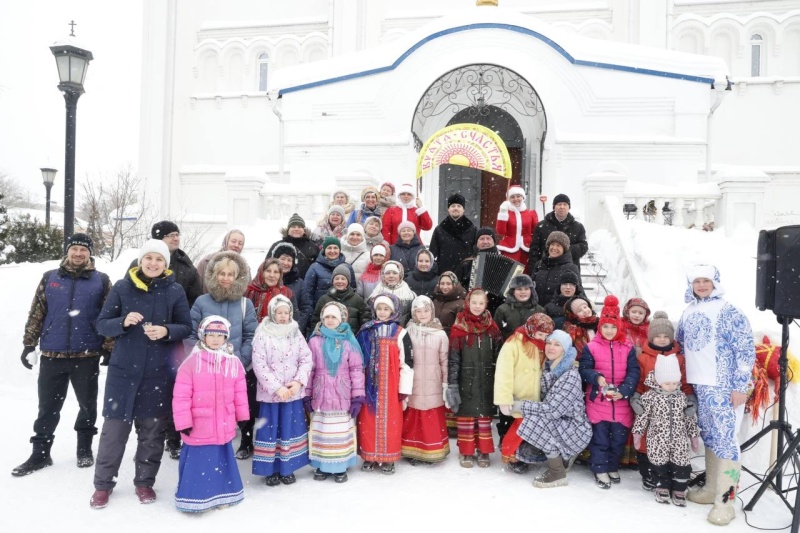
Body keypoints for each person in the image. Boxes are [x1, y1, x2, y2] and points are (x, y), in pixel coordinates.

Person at [90, 239, 192, 508]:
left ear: (165, 264)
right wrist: (122, 322)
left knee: (152, 433)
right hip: (123, 373)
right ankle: (103, 485)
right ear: (141, 260)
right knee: (114, 432)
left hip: (158, 374)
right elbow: (102, 325)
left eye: (159, 259)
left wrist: (166, 331)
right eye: (149, 258)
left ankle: (144, 483)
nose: (153, 263)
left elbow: (186, 326)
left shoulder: (175, 290)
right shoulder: (123, 287)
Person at [13, 233, 113, 477]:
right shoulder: (50, 278)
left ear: (90, 253)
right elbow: (37, 311)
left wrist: (108, 347)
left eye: (83, 250)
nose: (78, 253)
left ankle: (84, 448)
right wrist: (29, 344)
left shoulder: (101, 280)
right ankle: (40, 454)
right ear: (67, 251)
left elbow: (110, 314)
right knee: (47, 407)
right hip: (52, 354)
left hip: (86, 353)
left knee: (87, 406)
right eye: (74, 249)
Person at [677, 265, 755, 526]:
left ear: (715, 283)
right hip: (699, 385)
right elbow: (681, 344)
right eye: (696, 281)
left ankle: (726, 499)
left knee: (726, 440)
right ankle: (712, 488)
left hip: (723, 385)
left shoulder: (727, 310)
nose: (701, 285)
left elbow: (744, 348)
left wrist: (740, 386)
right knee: (710, 436)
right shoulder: (688, 311)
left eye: (706, 281)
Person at [172, 316, 249, 513]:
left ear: (226, 338)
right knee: (200, 462)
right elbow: (181, 396)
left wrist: (242, 416)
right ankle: (195, 497)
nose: (215, 339)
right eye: (211, 335)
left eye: (220, 335)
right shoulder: (191, 363)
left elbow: (240, 392)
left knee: (220, 460)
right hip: (199, 424)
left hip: (223, 422)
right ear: (202, 336)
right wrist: (183, 422)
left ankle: (223, 494)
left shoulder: (233, 363)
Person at [188, 251, 259, 460]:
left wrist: (240, 359)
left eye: (231, 274)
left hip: (237, 366)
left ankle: (245, 442)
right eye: (222, 274)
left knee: (240, 405)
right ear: (214, 275)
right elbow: (191, 334)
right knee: (212, 407)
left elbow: (251, 335)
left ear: (238, 278)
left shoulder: (245, 303)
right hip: (206, 368)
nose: (226, 278)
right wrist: (202, 359)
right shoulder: (201, 302)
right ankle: (212, 444)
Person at [514, 330, 592, 488]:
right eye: (549, 343)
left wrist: (520, 406)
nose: (551, 347)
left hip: (575, 428)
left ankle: (557, 472)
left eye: (557, 345)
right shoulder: (547, 368)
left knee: (532, 421)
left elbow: (552, 410)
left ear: (565, 349)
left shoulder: (570, 374)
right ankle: (563, 456)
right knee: (523, 453)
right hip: (558, 424)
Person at [579, 295, 640, 490]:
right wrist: (596, 377)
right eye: (605, 326)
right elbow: (584, 369)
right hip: (598, 402)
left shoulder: (628, 348)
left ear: (619, 327)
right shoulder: (591, 347)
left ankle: (612, 466)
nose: (609, 331)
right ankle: (599, 468)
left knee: (619, 440)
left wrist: (624, 391)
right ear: (600, 327)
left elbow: (633, 371)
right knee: (600, 439)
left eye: (613, 327)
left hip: (621, 404)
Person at [251, 295, 312, 486]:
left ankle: (288, 467)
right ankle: (271, 469)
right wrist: (276, 387)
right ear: (272, 313)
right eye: (279, 313)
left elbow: (306, 358)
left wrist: (298, 382)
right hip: (272, 395)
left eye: (286, 313)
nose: (283, 316)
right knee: (271, 430)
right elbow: (259, 364)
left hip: (292, 393)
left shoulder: (295, 332)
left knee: (289, 429)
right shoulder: (263, 333)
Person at [631, 311, 695, 492]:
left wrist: (690, 400)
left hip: (674, 406)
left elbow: (684, 382)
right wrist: (636, 398)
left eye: (665, 336)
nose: (661, 339)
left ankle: (673, 476)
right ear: (651, 337)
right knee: (646, 441)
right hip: (650, 406)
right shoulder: (643, 357)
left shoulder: (679, 358)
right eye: (657, 336)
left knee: (674, 443)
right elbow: (639, 381)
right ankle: (649, 474)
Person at [305, 301, 366, 483]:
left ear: (341, 319)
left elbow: (356, 369)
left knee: (339, 431)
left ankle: (340, 466)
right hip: (320, 392)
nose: (330, 320)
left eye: (334, 317)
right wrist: (307, 393)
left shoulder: (348, 340)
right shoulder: (314, 341)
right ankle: (321, 464)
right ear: (322, 319)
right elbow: (310, 369)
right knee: (322, 430)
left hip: (342, 392)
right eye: (327, 317)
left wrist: (357, 397)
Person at [632, 354, 701, 507]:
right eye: (667, 383)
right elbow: (642, 418)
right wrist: (637, 434)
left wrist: (693, 437)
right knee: (659, 463)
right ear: (658, 380)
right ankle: (662, 487)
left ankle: (679, 489)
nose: (671, 386)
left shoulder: (682, 397)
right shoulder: (649, 397)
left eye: (675, 382)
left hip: (679, 439)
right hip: (657, 439)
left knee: (682, 464)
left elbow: (689, 419)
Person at [356, 294, 414, 475]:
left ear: (393, 311)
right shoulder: (366, 330)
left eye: (386, 309)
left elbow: (407, 363)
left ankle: (388, 457)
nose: (382, 312)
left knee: (392, 421)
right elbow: (358, 359)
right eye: (379, 308)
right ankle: (369, 455)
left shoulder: (400, 332)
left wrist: (404, 390)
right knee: (368, 419)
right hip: (369, 384)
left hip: (391, 385)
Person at [445, 288, 503, 469]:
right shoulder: (458, 328)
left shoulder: (492, 328)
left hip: (487, 378)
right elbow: (454, 359)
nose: (477, 306)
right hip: (465, 379)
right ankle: (466, 450)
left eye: (481, 303)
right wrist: (453, 384)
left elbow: (499, 355)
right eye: (474, 303)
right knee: (467, 417)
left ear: (486, 305)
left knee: (484, 417)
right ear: (467, 303)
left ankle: (484, 450)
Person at [494, 313, 554, 472]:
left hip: (535, 397)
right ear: (531, 329)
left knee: (528, 429)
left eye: (546, 335)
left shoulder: (543, 346)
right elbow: (503, 373)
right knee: (521, 427)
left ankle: (518, 455)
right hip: (518, 395)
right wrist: (504, 398)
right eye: (540, 334)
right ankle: (509, 453)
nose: (543, 338)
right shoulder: (513, 344)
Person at [401, 296, 450, 465]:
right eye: (418, 311)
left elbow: (445, 361)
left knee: (431, 418)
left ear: (432, 311)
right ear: (413, 313)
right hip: (413, 382)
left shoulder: (440, 334)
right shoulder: (407, 331)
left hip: (433, 382)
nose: (422, 314)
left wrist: (445, 384)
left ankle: (432, 450)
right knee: (413, 417)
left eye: (426, 311)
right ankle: (411, 450)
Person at [146, 220, 204, 307]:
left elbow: (195, 300)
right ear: (159, 238)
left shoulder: (187, 267)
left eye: (177, 235)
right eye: (171, 235)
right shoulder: (143, 263)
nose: (176, 238)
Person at [528, 194, 588, 272]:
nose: (562, 207)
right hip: (546, 270)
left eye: (565, 204)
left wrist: (564, 250)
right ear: (554, 207)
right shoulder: (541, 226)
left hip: (569, 270)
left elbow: (583, 246)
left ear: (569, 207)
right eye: (559, 204)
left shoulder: (578, 227)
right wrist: (533, 271)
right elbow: (534, 250)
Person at [309, 264, 371, 334]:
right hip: (328, 339)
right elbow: (316, 320)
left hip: (350, 340)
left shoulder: (357, 299)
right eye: (337, 278)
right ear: (333, 281)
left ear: (348, 281)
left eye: (343, 279)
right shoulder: (324, 299)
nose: (340, 281)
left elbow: (365, 319)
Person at [455, 226, 504, 315]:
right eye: (482, 239)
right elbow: (457, 286)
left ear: (494, 242)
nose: (485, 242)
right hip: (471, 308)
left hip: (496, 309)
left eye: (488, 238)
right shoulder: (467, 263)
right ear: (476, 242)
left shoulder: (504, 263)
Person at [429, 193, 477, 276]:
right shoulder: (439, 230)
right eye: (453, 206)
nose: (456, 208)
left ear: (463, 209)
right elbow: (432, 254)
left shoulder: (472, 229)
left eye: (459, 206)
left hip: (466, 274)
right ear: (448, 209)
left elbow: (476, 253)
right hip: (445, 274)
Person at [270, 242, 313, 334]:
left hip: (292, 332)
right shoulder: (268, 280)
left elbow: (305, 308)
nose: (286, 263)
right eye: (283, 259)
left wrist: (296, 328)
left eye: (289, 260)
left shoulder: (299, 283)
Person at [304, 237, 356, 310]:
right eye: (329, 248)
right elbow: (307, 293)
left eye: (335, 248)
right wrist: (311, 312)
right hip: (321, 311)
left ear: (339, 250)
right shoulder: (314, 267)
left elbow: (352, 291)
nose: (332, 251)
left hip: (344, 311)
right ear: (324, 250)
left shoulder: (347, 267)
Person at [531, 231, 580, 307]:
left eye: (558, 245)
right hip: (538, 311)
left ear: (564, 249)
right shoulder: (539, 264)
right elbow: (531, 287)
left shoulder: (571, 268)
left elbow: (578, 292)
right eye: (552, 244)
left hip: (558, 313)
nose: (554, 248)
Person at [496, 185, 538, 273]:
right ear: (509, 199)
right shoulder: (506, 212)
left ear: (523, 197)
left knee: (526, 274)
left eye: (518, 196)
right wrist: (503, 213)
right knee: (509, 274)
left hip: (527, 249)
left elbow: (536, 232)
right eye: (512, 197)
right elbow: (500, 231)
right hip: (509, 249)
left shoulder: (531, 213)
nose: (516, 199)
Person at [493, 274, 545, 341]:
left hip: (531, 349)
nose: (523, 292)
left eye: (526, 289)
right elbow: (495, 333)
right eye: (519, 289)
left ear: (531, 291)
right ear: (513, 292)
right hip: (508, 349)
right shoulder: (502, 310)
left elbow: (543, 334)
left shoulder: (539, 310)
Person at [268, 213, 320, 279]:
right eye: (293, 226)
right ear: (288, 230)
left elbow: (319, 268)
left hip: (305, 285)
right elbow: (266, 266)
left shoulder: (313, 247)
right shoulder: (277, 246)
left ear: (304, 230)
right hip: (280, 284)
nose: (296, 229)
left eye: (299, 227)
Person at [369, 260, 416, 326]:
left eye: (394, 273)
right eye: (387, 273)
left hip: (402, 331)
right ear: (383, 275)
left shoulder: (409, 295)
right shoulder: (376, 292)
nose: (391, 276)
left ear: (400, 275)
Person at [431, 271, 466, 337]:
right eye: (442, 283)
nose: (445, 287)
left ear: (454, 284)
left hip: (449, 340)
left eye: (448, 284)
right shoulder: (435, 300)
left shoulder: (461, 305)